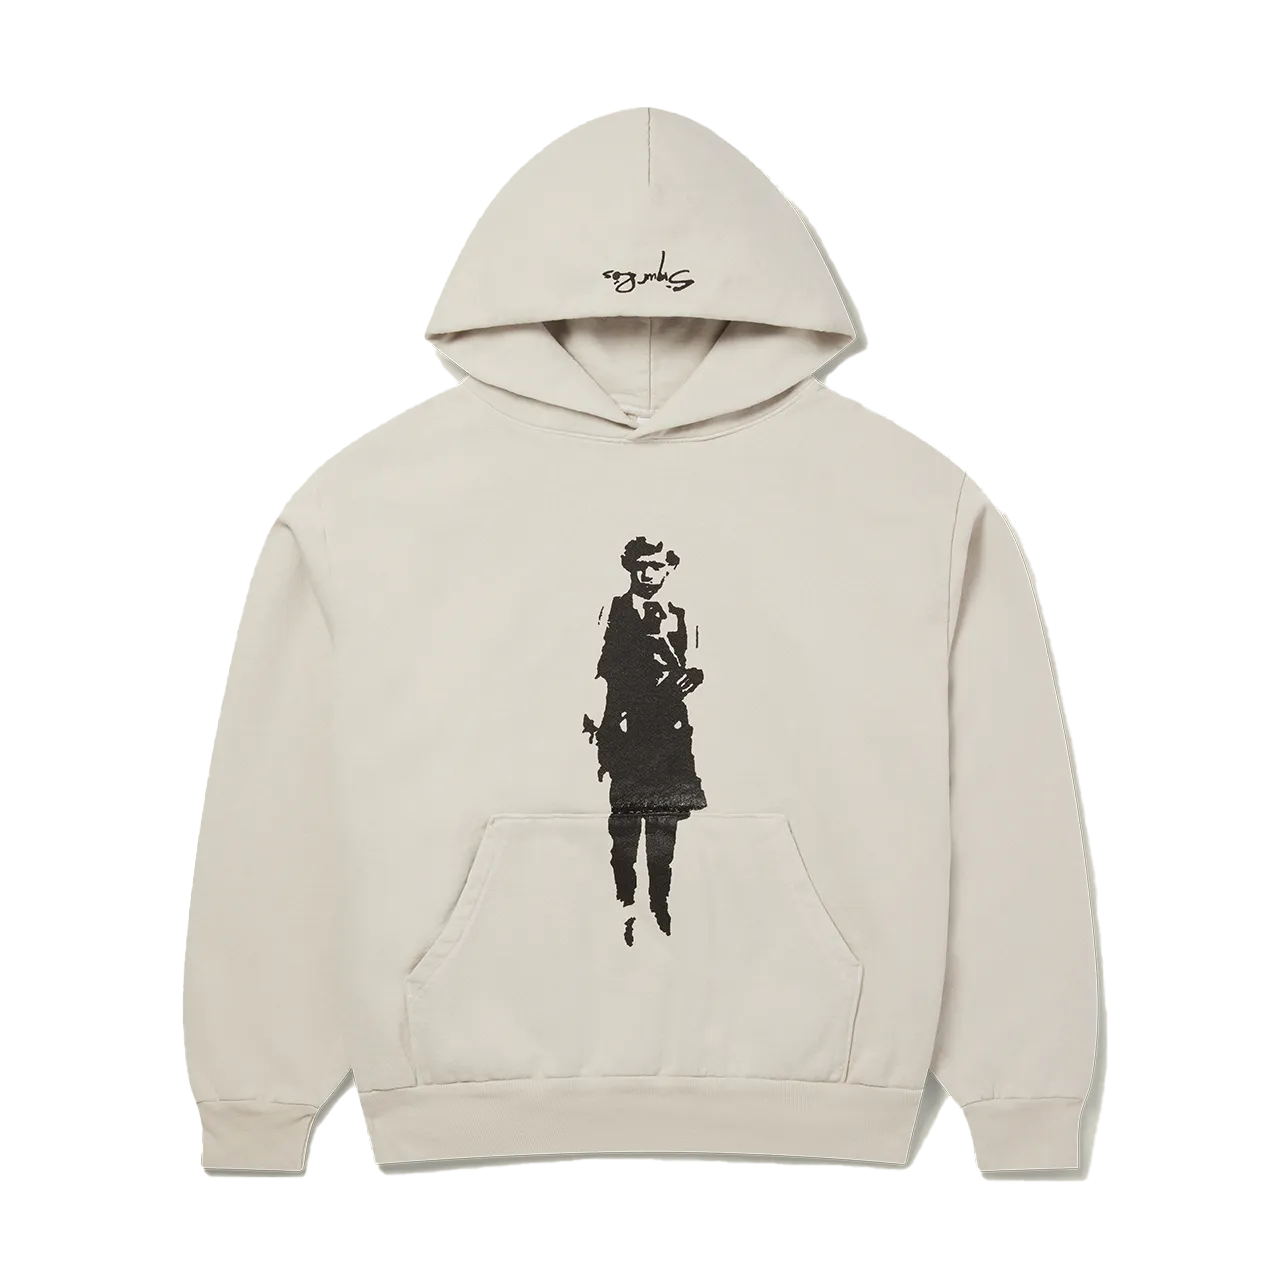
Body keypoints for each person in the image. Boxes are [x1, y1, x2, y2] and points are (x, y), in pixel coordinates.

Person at [584, 536, 706, 942]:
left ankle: (660, 904)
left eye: (656, 565)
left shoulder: (681, 615)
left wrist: (694, 675)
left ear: (670, 568)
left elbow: (699, 662)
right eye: (641, 565)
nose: (648, 573)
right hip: (625, 725)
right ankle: (624, 905)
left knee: (664, 821)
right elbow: (592, 667)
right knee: (624, 820)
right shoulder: (612, 610)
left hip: (669, 729)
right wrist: (597, 727)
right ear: (628, 566)